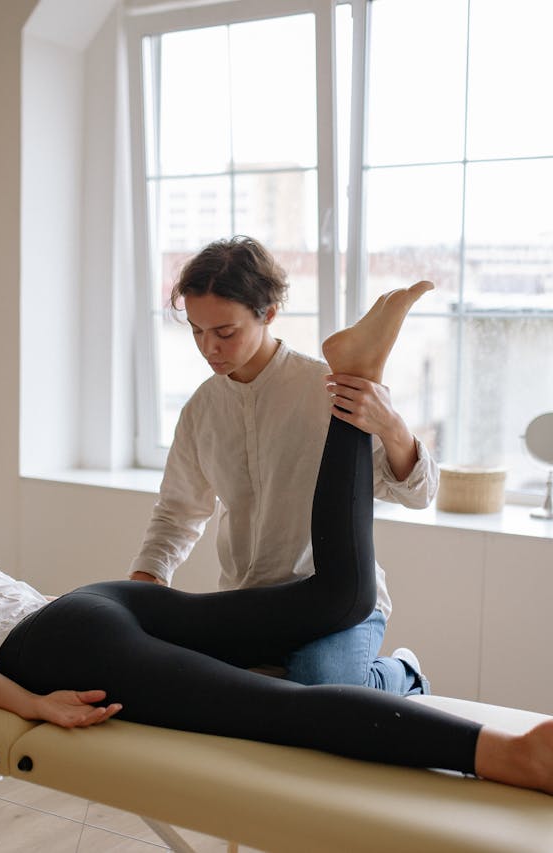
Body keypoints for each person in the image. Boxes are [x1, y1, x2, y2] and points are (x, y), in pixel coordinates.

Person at [0, 292, 553, 837]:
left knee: (285, 714)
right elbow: (161, 522)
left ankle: (519, 751)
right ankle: (361, 379)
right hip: (99, 603)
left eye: (223, 327)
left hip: (63, 650)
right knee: (338, 591)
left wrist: (34, 706)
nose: (210, 344)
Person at [128, 235, 438, 695]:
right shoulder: (201, 410)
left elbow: (418, 494)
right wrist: (145, 584)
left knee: (321, 686)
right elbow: (178, 511)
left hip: (336, 602)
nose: (208, 347)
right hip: (248, 603)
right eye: (196, 331)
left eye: (225, 332)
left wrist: (391, 425)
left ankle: (403, 674)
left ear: (268, 313)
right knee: (179, 679)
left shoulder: (329, 388)